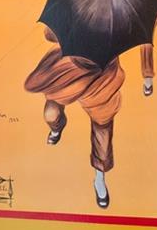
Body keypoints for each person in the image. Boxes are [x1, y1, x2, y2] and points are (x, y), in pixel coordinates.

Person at [24, 32, 121, 210]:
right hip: (69, 67)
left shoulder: (121, 18)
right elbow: (50, 34)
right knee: (51, 114)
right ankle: (57, 128)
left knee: (103, 130)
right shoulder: (76, 5)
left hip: (103, 78)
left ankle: (100, 177)